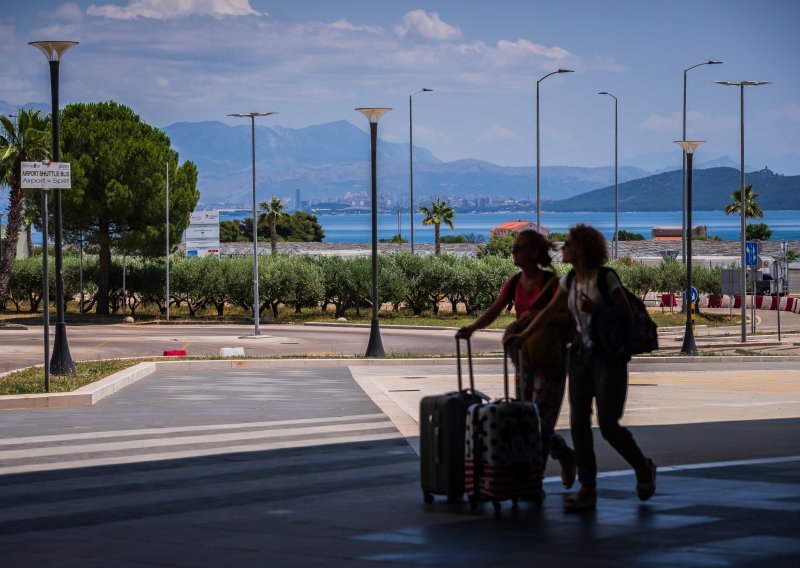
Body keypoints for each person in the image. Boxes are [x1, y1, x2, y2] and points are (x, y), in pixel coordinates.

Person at [505, 224, 656, 511]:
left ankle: (642, 466)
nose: (563, 248)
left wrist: (596, 310)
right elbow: (547, 312)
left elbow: (625, 316)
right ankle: (587, 487)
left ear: (583, 249)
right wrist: (522, 334)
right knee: (578, 423)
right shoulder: (570, 281)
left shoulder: (606, 279)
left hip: (608, 358)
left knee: (609, 426)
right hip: (579, 358)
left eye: (569, 244)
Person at [456, 229, 576, 493]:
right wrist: (473, 327)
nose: (513, 252)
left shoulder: (552, 283)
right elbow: (495, 310)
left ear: (534, 252)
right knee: (525, 420)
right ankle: (559, 458)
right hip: (524, 359)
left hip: (551, 361)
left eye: (518, 248)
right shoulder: (514, 282)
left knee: (541, 424)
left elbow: (567, 318)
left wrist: (534, 317)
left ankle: (535, 480)